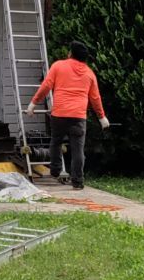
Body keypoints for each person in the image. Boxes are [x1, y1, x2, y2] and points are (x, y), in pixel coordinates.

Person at [26, 40, 110, 189]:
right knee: (78, 149)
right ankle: (77, 182)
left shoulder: (58, 66)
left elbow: (46, 86)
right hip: (78, 116)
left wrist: (33, 103)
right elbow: (95, 98)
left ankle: (56, 169)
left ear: (71, 54)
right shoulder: (90, 74)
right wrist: (102, 117)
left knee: (56, 142)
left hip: (59, 113)